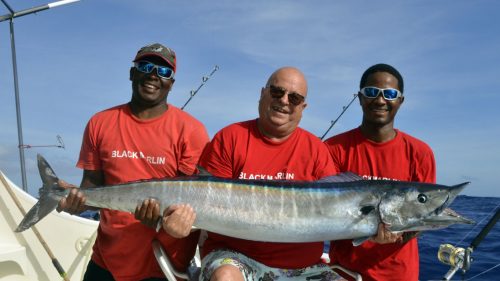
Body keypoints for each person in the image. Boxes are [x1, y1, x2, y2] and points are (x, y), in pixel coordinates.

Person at [57, 43, 210, 281]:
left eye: (164, 71)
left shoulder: (191, 131)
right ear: (132, 73)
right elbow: (91, 189)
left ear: (171, 83)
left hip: (163, 266)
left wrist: (161, 218)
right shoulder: (100, 123)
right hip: (106, 260)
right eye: (145, 66)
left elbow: (191, 204)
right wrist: (74, 200)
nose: (153, 75)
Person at [198, 67, 339, 281]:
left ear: (303, 106)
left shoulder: (317, 150)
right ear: (262, 93)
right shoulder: (229, 138)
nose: (284, 101)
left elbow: (334, 212)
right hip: (235, 258)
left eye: (294, 98)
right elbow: (205, 203)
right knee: (225, 276)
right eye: (277, 92)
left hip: (303, 267)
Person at [324, 63, 436, 281]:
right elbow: (324, 212)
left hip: (399, 274)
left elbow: (422, 218)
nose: (380, 100)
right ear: (360, 98)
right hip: (342, 272)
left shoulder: (420, 153)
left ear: (400, 101)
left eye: (390, 94)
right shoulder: (332, 149)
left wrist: (394, 237)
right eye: (372, 92)